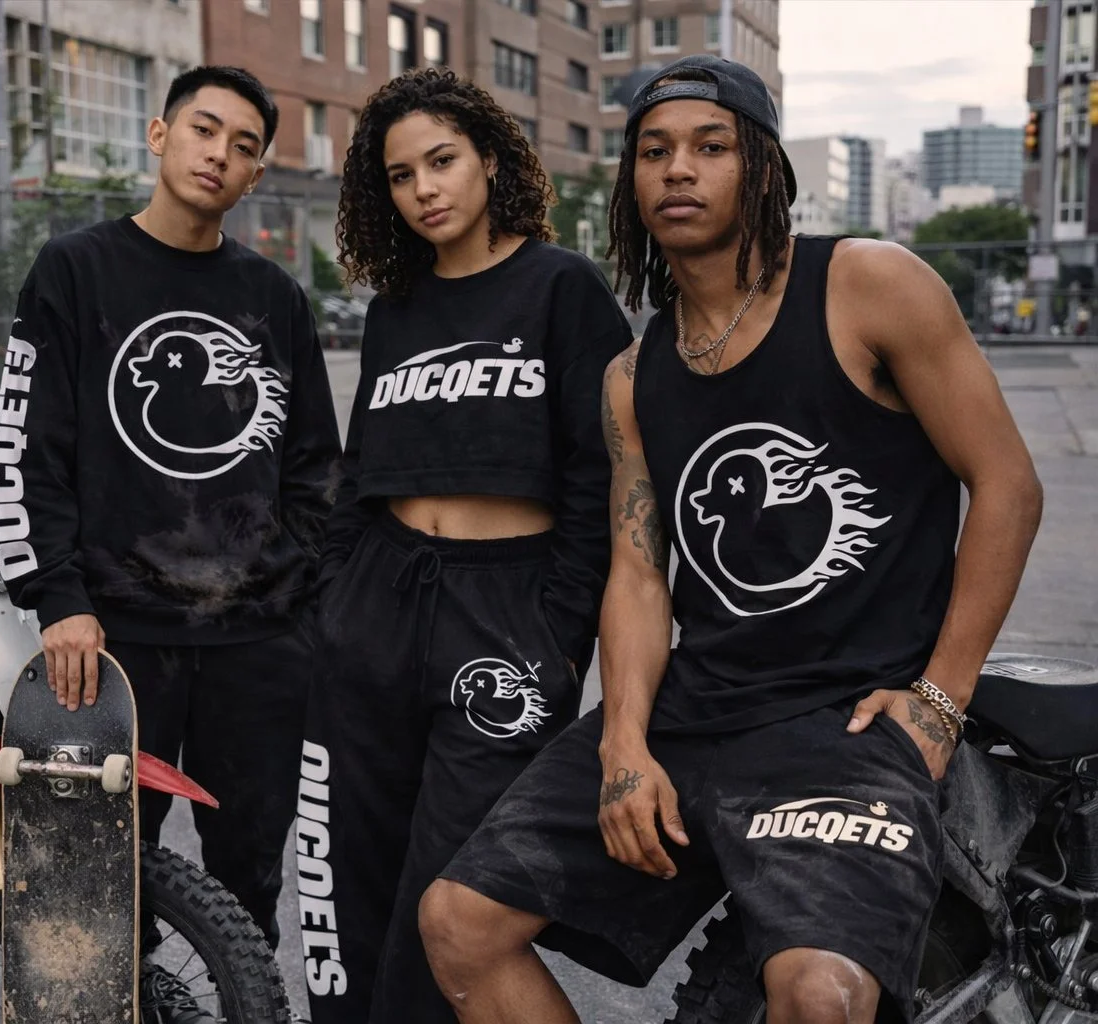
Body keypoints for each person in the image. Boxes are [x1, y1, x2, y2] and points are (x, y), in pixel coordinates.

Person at [421, 55, 1044, 1024]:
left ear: (762, 169)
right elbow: (639, 573)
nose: (679, 168)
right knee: (458, 925)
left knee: (819, 993)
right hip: (697, 712)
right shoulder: (634, 377)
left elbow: (1007, 485)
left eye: (710, 146)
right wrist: (624, 742)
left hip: (844, 728)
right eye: (655, 151)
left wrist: (939, 699)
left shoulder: (868, 286)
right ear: (631, 183)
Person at [298, 67, 632, 1024]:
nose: (424, 190)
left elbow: (602, 483)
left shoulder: (563, 290)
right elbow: (361, 471)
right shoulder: (396, 307)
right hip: (379, 597)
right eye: (400, 176)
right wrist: (336, 601)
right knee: (349, 868)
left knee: (450, 886)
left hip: (507, 610)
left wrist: (560, 631)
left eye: (441, 161)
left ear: (490, 158)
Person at [0, 66, 341, 954]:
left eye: (244, 146)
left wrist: (297, 600)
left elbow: (315, 469)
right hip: (112, 641)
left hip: (257, 644)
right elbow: (28, 449)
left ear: (255, 174)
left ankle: (239, 1007)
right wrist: (58, 596)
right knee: (97, 887)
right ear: (160, 135)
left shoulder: (273, 296)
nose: (219, 154)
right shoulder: (75, 270)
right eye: (203, 129)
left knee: (246, 891)